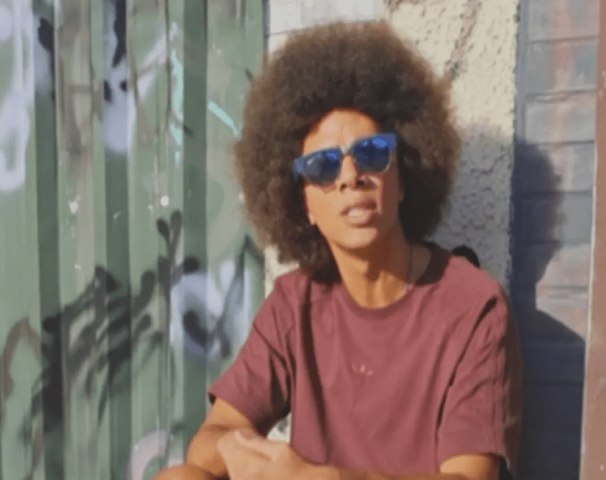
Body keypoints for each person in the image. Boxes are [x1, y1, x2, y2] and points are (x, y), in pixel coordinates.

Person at [156, 20, 522, 480]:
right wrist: (245, 451)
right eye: (323, 166)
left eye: (371, 153)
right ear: (303, 204)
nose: (350, 177)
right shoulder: (295, 304)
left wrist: (314, 477)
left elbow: (470, 478)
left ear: (403, 177)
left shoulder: (473, 307)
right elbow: (209, 440)